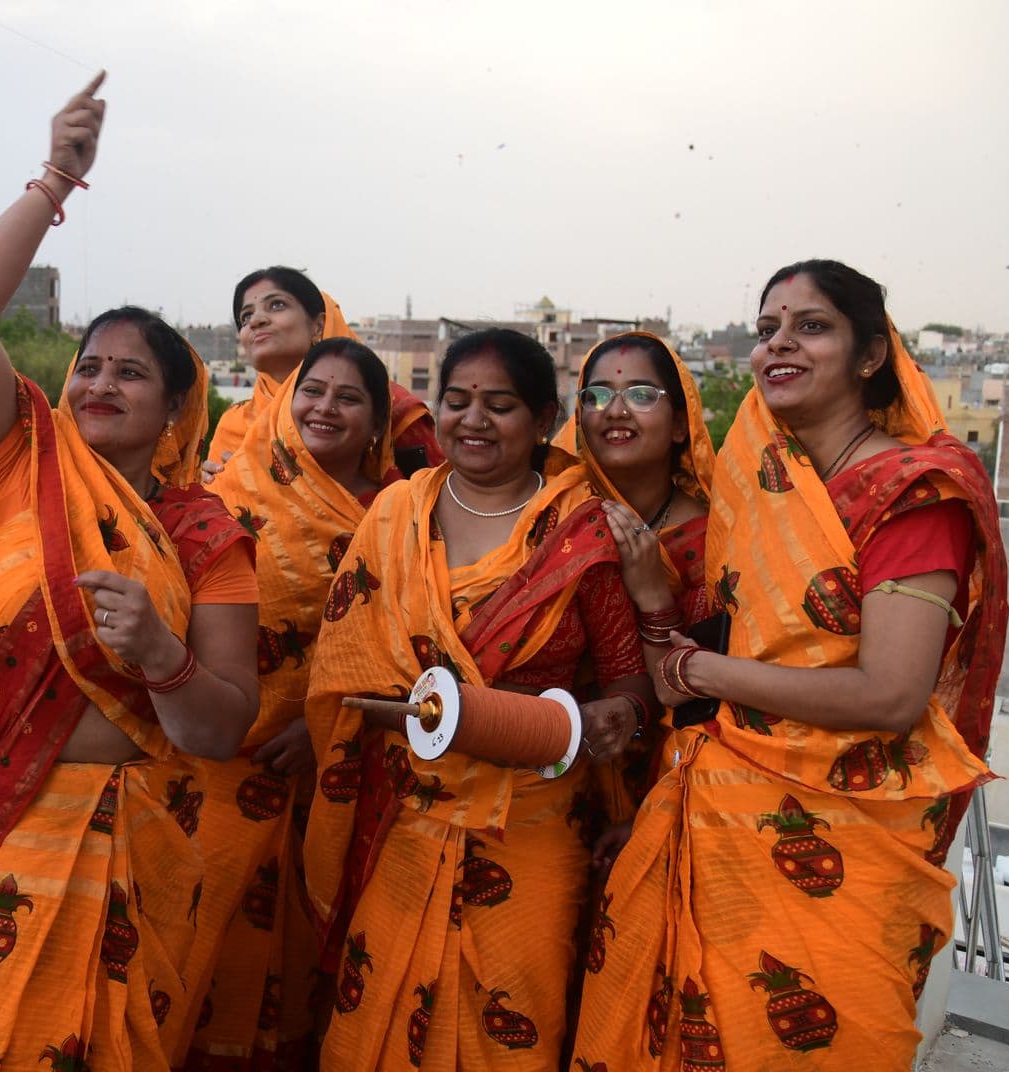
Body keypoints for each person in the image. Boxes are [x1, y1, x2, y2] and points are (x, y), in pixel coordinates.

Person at [0, 75, 260, 1072]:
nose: (97, 383)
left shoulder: (206, 535)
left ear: (176, 408)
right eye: (87, 364)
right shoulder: (17, 466)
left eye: (130, 372)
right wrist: (56, 180)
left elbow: (221, 725)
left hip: (135, 839)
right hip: (3, 828)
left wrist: (163, 656)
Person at [573, 261, 1008, 1069]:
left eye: (811, 326)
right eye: (769, 327)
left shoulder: (913, 495)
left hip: (842, 839)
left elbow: (889, 694)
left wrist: (703, 675)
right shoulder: (758, 488)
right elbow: (706, 647)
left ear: (871, 354)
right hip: (707, 809)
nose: (780, 343)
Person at [304, 327, 652, 1071]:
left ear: (543, 417)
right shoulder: (397, 515)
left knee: (514, 1028)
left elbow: (628, 679)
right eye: (457, 402)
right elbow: (347, 661)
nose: (473, 420)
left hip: (530, 831)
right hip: (406, 817)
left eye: (500, 405)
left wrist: (619, 715)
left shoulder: (580, 531)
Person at [179, 339, 404, 1070]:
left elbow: (408, 645)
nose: (325, 408)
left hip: (337, 773)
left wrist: (322, 732)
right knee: (195, 947)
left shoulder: (405, 516)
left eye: (349, 397)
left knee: (307, 961)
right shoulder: (226, 496)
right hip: (218, 765)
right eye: (314, 391)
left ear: (376, 424)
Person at [555, 333, 717, 862]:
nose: (615, 411)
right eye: (596, 396)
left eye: (642, 395)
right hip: (550, 760)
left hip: (675, 780)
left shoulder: (718, 537)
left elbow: (706, 699)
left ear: (679, 425)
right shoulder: (553, 512)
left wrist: (651, 594)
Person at [209, 267, 438, 474]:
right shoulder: (235, 424)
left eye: (276, 304)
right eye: (246, 316)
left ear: (318, 325)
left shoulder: (388, 407)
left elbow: (436, 501)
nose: (256, 320)